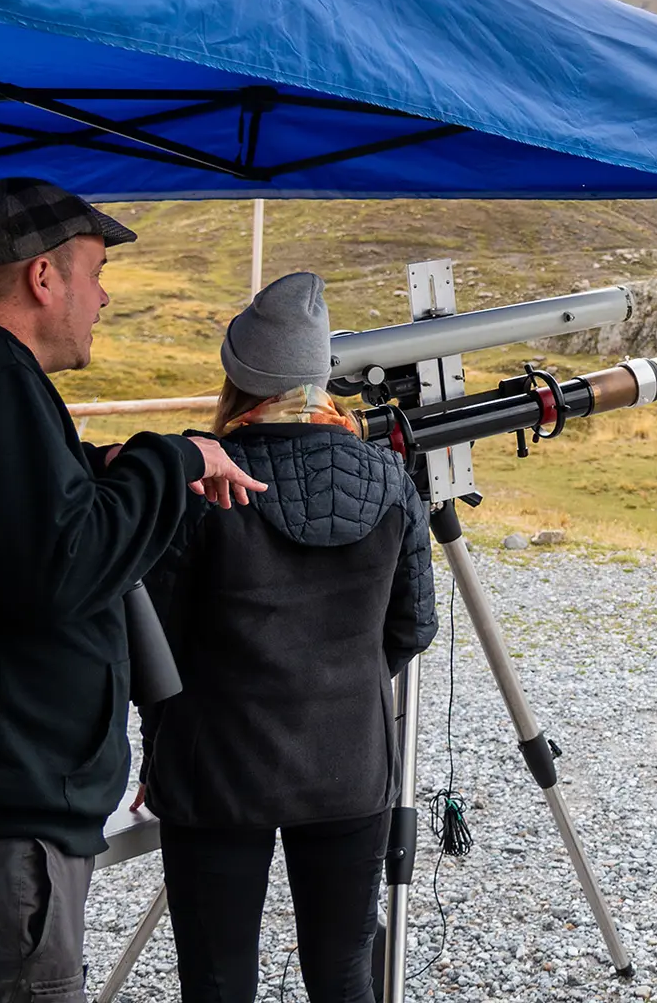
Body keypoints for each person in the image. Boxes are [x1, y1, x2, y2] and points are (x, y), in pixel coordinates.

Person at [0, 178, 266, 1003]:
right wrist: (169, 459)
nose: (102, 297)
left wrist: (90, 471)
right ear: (41, 278)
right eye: (95, 273)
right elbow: (60, 569)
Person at [139, 272, 438, 1003]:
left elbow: (154, 647)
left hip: (216, 768)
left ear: (239, 375)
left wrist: (161, 745)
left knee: (216, 978)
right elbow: (413, 626)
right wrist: (342, 683)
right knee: (342, 975)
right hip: (349, 764)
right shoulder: (392, 479)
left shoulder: (203, 483)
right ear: (319, 371)